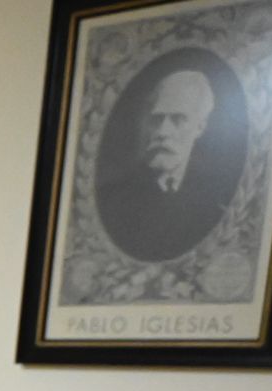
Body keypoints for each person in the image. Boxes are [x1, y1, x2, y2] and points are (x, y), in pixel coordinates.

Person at [96, 66, 235, 262]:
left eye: (178, 119)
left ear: (200, 128)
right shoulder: (112, 202)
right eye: (156, 119)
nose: (162, 132)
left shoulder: (216, 206)